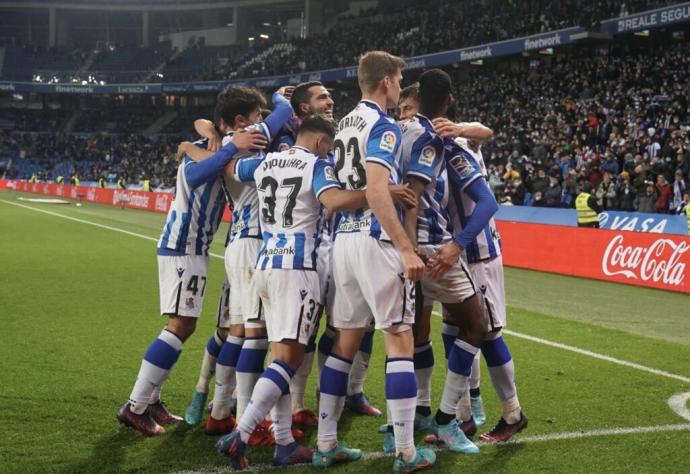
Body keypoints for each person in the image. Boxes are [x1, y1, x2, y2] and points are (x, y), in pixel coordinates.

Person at [216, 114, 381, 468]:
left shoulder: (266, 161)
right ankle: (240, 435)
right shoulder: (317, 165)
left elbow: (230, 167)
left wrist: (226, 141)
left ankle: (285, 443)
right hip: (297, 269)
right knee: (288, 361)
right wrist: (379, 194)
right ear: (323, 142)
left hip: (265, 265)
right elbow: (334, 200)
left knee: (280, 360)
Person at [313, 51, 435, 473]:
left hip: (343, 242)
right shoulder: (382, 126)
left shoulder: (343, 124)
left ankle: (325, 444)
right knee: (399, 337)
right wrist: (404, 245)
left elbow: (331, 192)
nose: (400, 88)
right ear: (385, 82)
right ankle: (405, 451)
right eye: (399, 81)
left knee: (344, 344)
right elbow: (379, 189)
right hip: (375, 241)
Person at [116, 121, 268, 437]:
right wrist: (206, 142)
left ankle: (152, 400)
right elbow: (198, 169)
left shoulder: (213, 143)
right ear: (238, 123)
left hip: (192, 248)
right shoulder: (208, 152)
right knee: (179, 324)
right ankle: (136, 405)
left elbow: (207, 122)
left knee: (186, 325)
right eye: (250, 118)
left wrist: (211, 135)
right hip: (184, 245)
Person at [178, 86, 293, 443]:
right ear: (242, 121)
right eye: (258, 115)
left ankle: (219, 412)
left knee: (239, 332)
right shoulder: (247, 139)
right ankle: (247, 419)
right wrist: (280, 99)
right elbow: (283, 115)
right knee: (254, 335)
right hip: (253, 244)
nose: (264, 122)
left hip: (239, 243)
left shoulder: (224, 142)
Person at [391, 69, 491, 456]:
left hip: (391, 246)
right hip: (430, 250)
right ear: (447, 100)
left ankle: (416, 413)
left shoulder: (395, 132)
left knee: (412, 335)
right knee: (475, 325)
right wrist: (439, 247)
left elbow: (484, 132)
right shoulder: (436, 140)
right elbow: (414, 196)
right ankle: (449, 419)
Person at [434, 117, 529, 444]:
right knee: (452, 331)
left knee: (487, 333)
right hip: (450, 256)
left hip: (478, 253)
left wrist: (456, 129)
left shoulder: (461, 144)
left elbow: (485, 131)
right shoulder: (423, 147)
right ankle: (463, 416)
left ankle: (513, 414)